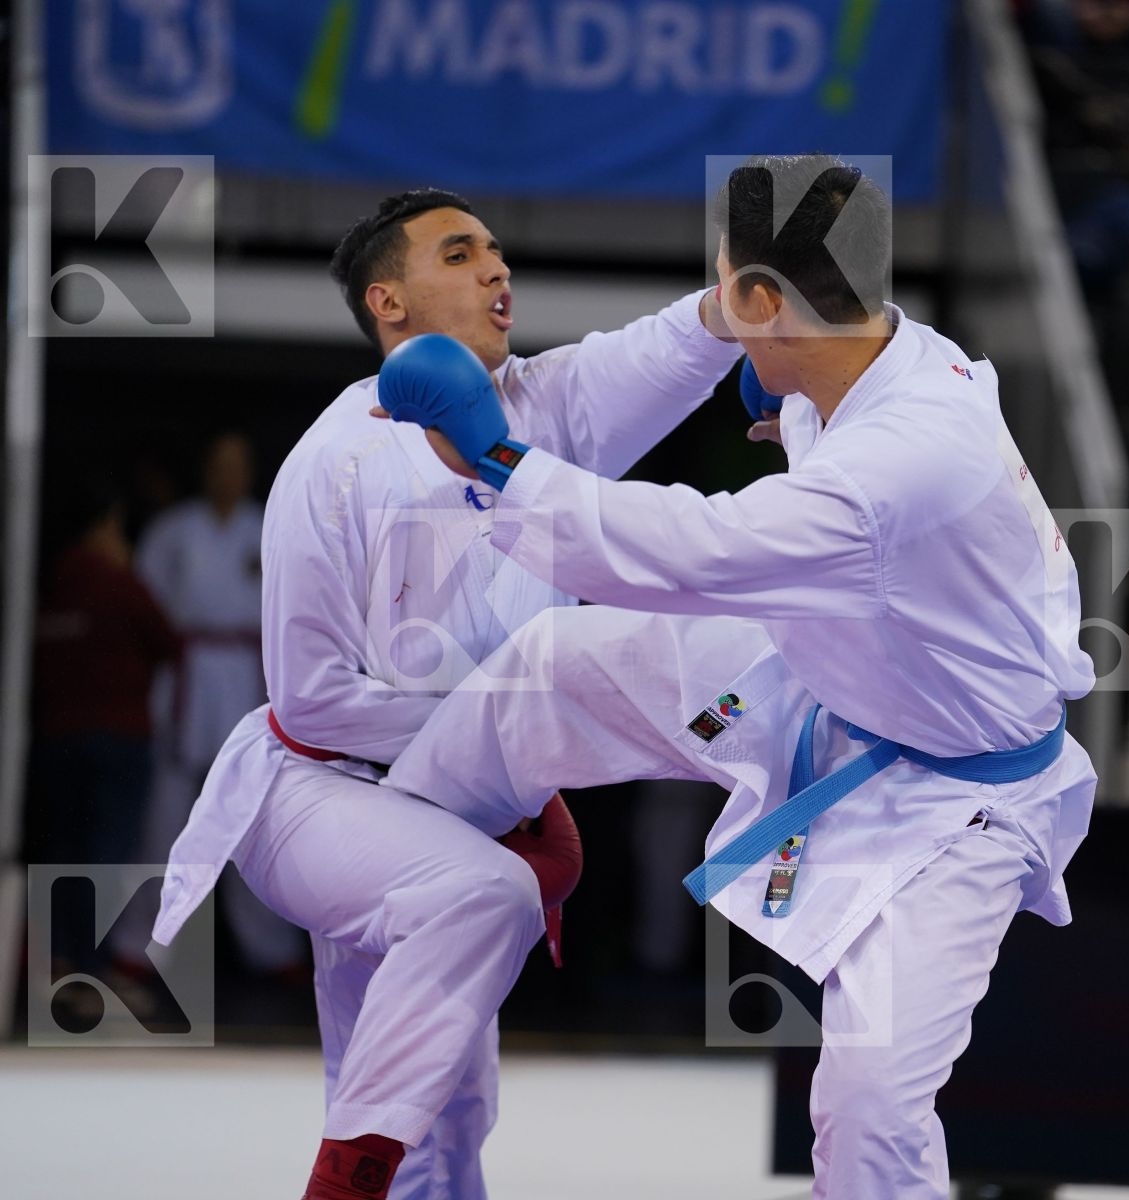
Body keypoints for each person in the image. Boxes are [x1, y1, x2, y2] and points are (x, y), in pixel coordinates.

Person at [377, 155, 1100, 1200]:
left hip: (956, 805)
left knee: (870, 1105)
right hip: (830, 668)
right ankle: (405, 882)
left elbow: (692, 552)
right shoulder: (874, 357)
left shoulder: (888, 462)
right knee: (550, 666)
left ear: (767, 299)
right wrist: (777, 382)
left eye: (731, 289)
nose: (717, 304)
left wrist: (498, 460)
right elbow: (766, 352)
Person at [151, 187, 743, 1200]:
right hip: (323, 796)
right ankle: (342, 1179)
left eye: (498, 252)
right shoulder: (331, 463)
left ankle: (386, 1166)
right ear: (389, 302)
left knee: (451, 1113)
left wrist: (745, 295)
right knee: (481, 897)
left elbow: (658, 349)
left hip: (460, 803)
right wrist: (507, 735)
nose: (496, 271)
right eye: (461, 255)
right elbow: (315, 698)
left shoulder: (545, 410)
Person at [135, 432, 305, 977]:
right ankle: (138, 947)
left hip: (247, 675)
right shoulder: (172, 532)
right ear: (204, 469)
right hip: (184, 676)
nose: (226, 475)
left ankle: (270, 949)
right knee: (164, 820)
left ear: (250, 472)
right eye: (218, 464)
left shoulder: (270, 524)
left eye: (236, 465)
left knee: (250, 818)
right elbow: (143, 605)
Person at [32, 486, 181, 1010]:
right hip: (116, 737)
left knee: (62, 848)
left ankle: (58, 963)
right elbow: (168, 639)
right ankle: (90, 976)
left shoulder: (45, 581)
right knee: (106, 855)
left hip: (55, 736)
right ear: (103, 528)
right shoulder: (117, 582)